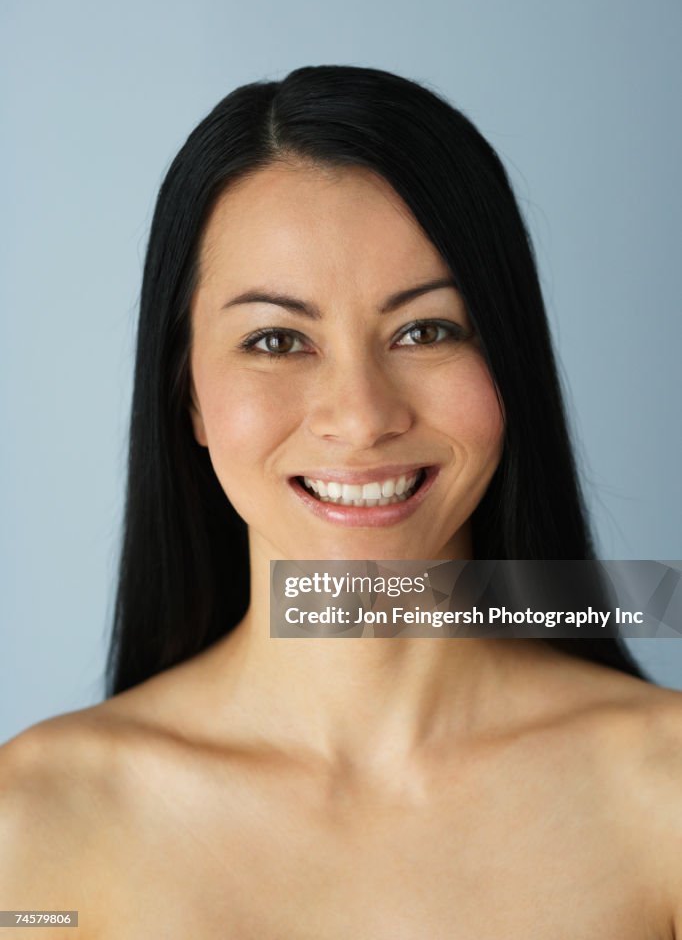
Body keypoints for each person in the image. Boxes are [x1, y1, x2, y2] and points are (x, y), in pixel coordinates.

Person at [1, 65, 680, 937]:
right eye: (278, 340)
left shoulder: (665, 797)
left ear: (508, 360)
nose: (361, 419)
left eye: (426, 330)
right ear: (190, 398)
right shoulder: (37, 822)